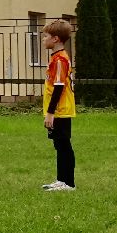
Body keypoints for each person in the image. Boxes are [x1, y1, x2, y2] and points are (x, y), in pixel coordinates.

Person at [41, 19, 76, 191]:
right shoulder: (55, 58)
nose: (43, 39)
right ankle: (61, 180)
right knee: (58, 144)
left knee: (64, 145)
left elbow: (59, 87)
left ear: (55, 39)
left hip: (60, 111)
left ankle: (68, 183)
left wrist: (50, 112)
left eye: (45, 36)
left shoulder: (60, 59)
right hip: (57, 111)